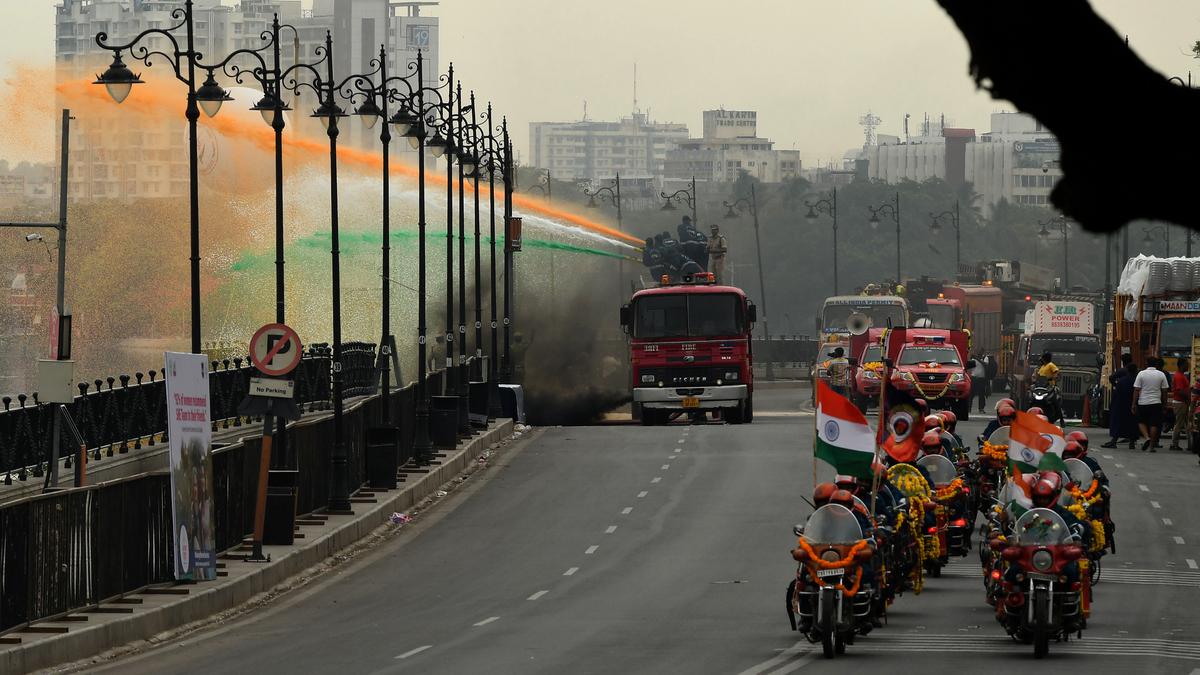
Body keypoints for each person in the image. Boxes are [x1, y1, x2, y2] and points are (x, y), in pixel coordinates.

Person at [1133, 357, 1171, 452]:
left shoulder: (1141, 374)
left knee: (1141, 422)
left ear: (1146, 363)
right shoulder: (1161, 374)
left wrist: (1133, 403)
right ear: (1156, 364)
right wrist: (1165, 404)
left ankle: (1147, 437)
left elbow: (1136, 390)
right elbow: (1165, 391)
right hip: (1156, 403)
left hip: (1143, 402)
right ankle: (1152, 446)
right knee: (1154, 424)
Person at [1102, 361, 1140, 449]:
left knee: (1118, 422)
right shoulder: (1137, 381)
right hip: (1132, 404)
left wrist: (1112, 405)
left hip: (1120, 405)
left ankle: (1114, 441)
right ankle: (1132, 443)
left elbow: (1116, 394)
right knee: (1133, 423)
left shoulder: (1121, 381)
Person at [1169, 358, 1191, 451]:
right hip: (1180, 403)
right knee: (1179, 424)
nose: (1188, 366)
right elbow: (1180, 391)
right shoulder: (1179, 376)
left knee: (1187, 424)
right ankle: (1174, 444)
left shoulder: (1181, 375)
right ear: (1182, 365)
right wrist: (1188, 398)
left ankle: (1191, 444)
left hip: (1182, 402)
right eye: (1187, 364)